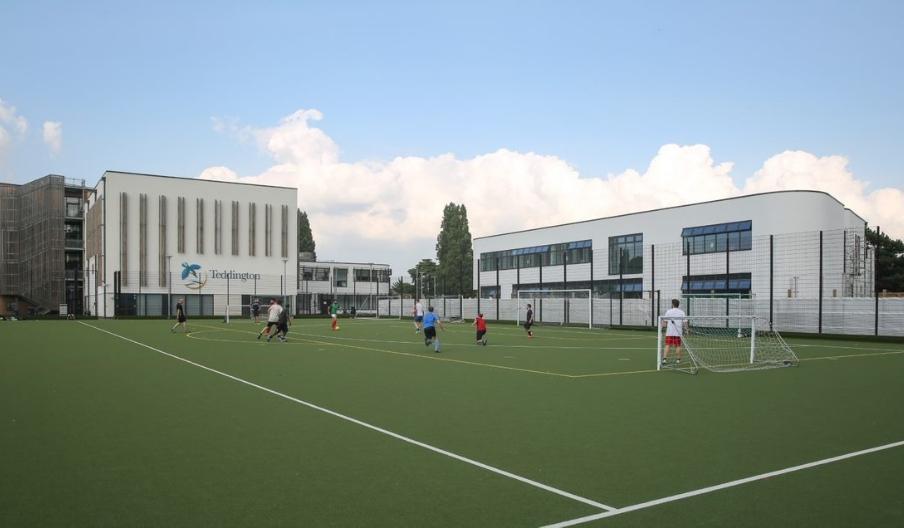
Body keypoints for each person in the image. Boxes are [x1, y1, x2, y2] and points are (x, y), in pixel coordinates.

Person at [662, 299, 688, 364]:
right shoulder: (682, 312)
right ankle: (678, 360)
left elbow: (664, 323)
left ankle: (664, 359)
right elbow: (685, 322)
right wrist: (686, 330)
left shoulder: (668, 311)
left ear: (672, 304)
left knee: (667, 345)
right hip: (678, 332)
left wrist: (662, 328)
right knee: (678, 346)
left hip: (669, 332)